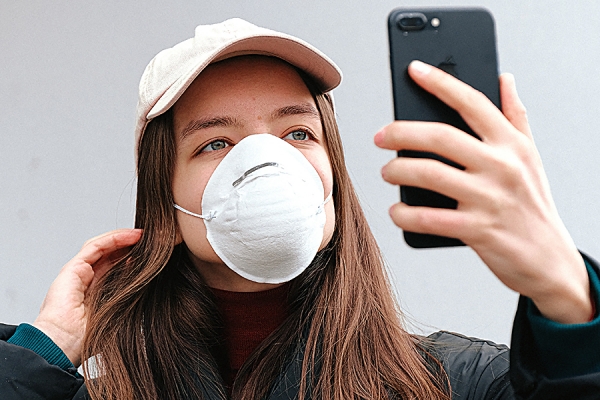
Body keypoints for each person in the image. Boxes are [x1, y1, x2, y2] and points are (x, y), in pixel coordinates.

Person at [1, 18, 599, 400]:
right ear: (166, 203)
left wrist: (567, 298)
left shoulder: (454, 385)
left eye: (296, 135)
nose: (264, 162)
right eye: (215, 142)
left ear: (333, 174)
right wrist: (45, 348)